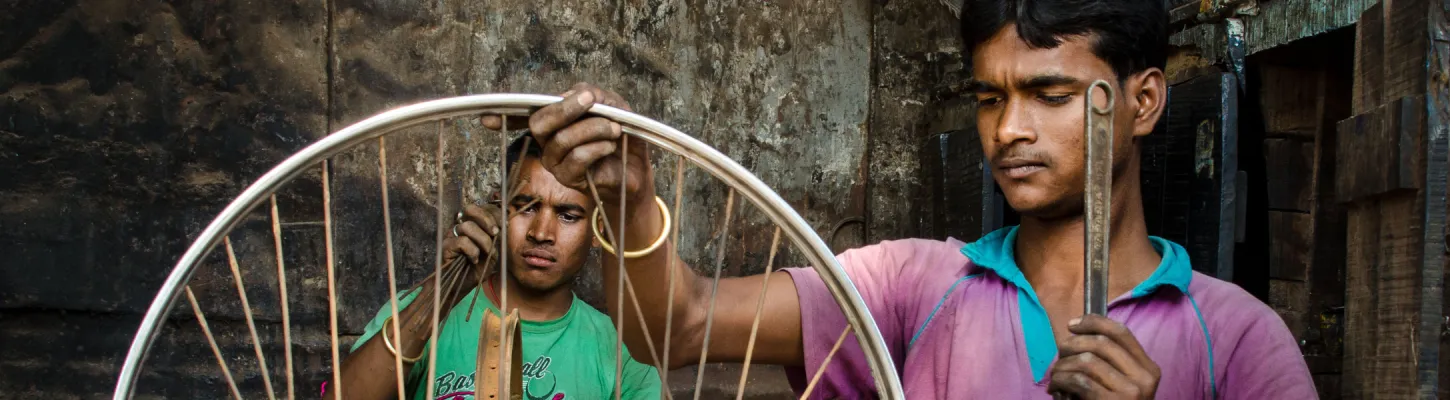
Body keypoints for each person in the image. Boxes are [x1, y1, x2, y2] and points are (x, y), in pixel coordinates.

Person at [487, 0, 1318, 398]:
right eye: (991, 98)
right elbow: (676, 326)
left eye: (1050, 95)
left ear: (1140, 103)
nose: (1009, 131)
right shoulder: (916, 287)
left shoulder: (1238, 343)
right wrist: (630, 203)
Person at [330, 134, 661, 400]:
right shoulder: (419, 311)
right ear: (499, 208)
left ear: (598, 229)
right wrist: (439, 296)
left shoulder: (623, 350)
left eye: (567, 215)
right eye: (525, 207)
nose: (541, 233)